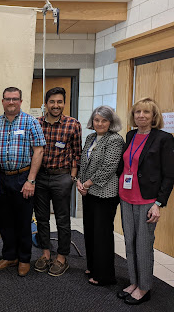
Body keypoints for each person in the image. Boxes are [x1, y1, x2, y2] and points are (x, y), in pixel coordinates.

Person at [117, 98, 174, 305]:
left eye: (146, 112)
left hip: (147, 200)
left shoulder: (163, 138)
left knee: (143, 245)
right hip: (126, 197)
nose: (141, 116)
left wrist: (159, 204)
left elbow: (169, 175)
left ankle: (145, 287)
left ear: (154, 116)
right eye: (137, 112)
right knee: (130, 243)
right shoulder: (131, 135)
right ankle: (134, 281)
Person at [0, 87, 45, 277]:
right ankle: (9, 256)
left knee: (23, 220)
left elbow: (39, 150)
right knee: (4, 220)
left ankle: (24, 259)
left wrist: (31, 180)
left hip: (23, 177)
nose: (11, 102)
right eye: (7, 99)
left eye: (15, 99)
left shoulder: (31, 122)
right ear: (2, 101)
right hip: (1, 177)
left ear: (21, 101)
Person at [34, 87, 82, 277]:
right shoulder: (36, 123)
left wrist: (72, 176)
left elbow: (77, 153)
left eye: (59, 102)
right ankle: (46, 253)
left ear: (64, 103)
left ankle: (62, 256)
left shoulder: (73, 124)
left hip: (62, 177)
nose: (56, 105)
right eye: (52, 102)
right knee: (42, 218)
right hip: (40, 176)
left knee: (62, 219)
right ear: (46, 103)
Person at [76, 106, 124, 286]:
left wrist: (87, 184)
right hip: (88, 192)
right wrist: (80, 182)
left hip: (105, 194)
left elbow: (108, 167)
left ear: (111, 122)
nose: (100, 123)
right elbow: (83, 162)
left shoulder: (115, 140)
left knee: (102, 234)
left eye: (104, 120)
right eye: (97, 120)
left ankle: (104, 276)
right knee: (90, 231)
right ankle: (93, 266)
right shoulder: (90, 138)